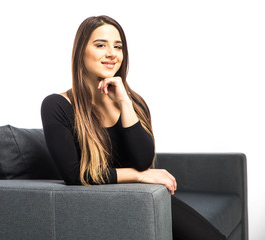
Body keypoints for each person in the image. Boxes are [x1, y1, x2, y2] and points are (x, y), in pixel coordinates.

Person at [41, 15, 226, 240]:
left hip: (142, 200)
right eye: (101, 45)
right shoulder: (57, 105)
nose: (112, 53)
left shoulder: (132, 102)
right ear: (81, 52)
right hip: (96, 208)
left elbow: (142, 160)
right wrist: (139, 177)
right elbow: (74, 175)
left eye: (118, 47)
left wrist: (125, 102)